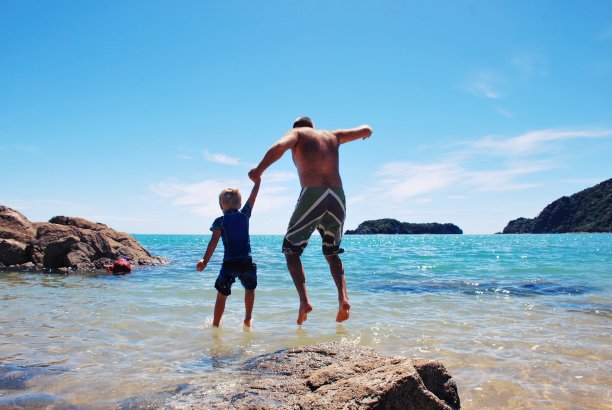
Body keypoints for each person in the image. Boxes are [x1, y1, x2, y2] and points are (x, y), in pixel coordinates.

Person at [249, 116, 372, 325]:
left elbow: (279, 146)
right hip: (338, 195)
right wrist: (366, 133)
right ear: (314, 127)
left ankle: (304, 302)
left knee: (291, 249)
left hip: (313, 193)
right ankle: (343, 298)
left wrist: (258, 170)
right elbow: (365, 128)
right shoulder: (333, 135)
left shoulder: (298, 134)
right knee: (332, 251)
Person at [196, 177, 261, 328]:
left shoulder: (220, 221)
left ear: (221, 206)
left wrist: (204, 261)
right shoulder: (245, 214)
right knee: (250, 290)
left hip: (229, 264)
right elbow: (253, 197)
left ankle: (216, 324)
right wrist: (257, 182)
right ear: (239, 204)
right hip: (246, 262)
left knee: (222, 294)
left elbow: (213, 242)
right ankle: (247, 319)